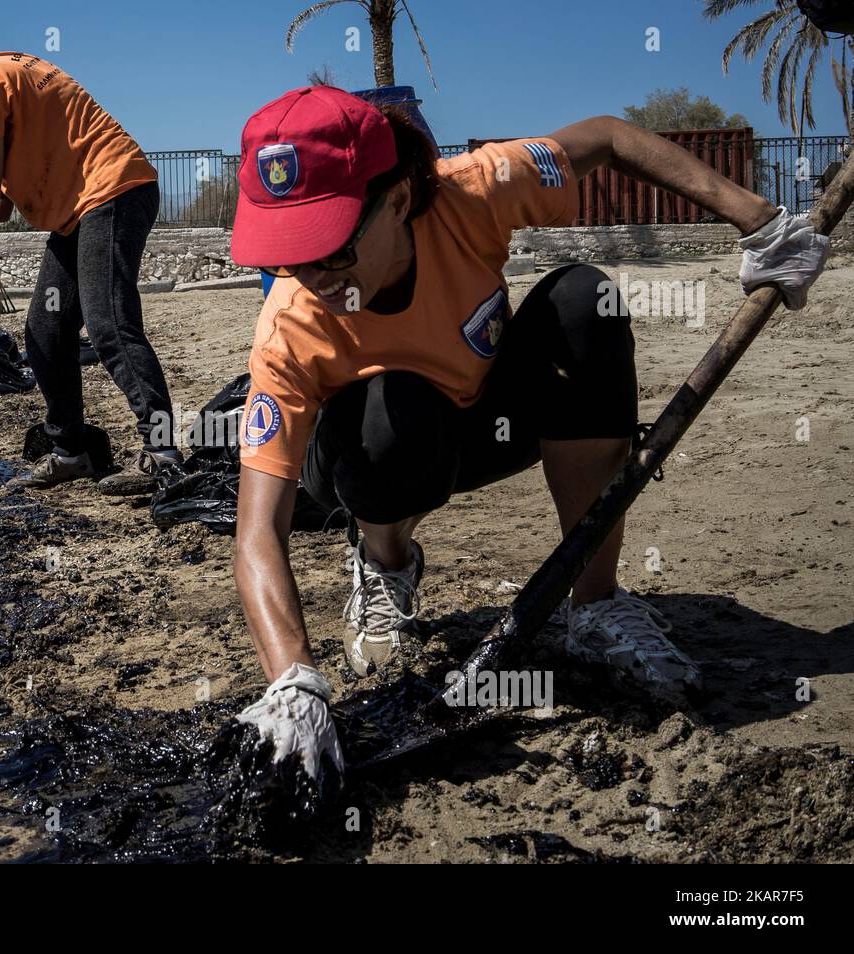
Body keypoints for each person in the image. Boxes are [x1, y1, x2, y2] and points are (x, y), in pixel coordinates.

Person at [229, 85, 830, 783]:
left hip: (489, 419)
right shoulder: (289, 326)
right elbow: (257, 532)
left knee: (582, 302)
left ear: (396, 199)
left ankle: (596, 605)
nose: (311, 276)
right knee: (389, 412)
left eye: (329, 249)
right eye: (288, 255)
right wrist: (292, 681)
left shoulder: (474, 189)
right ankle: (386, 562)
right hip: (378, 453)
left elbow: (608, 133)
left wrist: (758, 222)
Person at [0, 6, 182, 495]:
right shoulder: (8, 69)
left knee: (110, 323)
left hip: (109, 194)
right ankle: (70, 452)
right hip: (83, 208)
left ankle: (164, 453)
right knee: (46, 330)